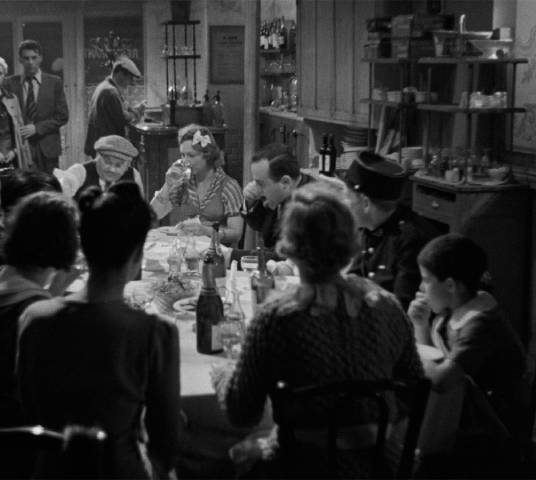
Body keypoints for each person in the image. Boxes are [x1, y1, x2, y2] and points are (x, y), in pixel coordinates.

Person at [212, 182, 424, 478]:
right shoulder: (387, 306)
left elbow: (242, 412)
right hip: (380, 464)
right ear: (352, 241)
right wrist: (363, 422)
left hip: (300, 464)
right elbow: (412, 387)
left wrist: (225, 373)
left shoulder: (277, 316)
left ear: (289, 246)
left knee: (217, 457)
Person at [18, 182, 180, 479]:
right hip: (119, 469)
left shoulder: (34, 317)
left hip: (51, 469)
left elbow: (30, 406)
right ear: (137, 258)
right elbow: (166, 439)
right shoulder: (154, 333)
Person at [0, 191, 79, 478]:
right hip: (17, 435)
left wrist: (53, 291)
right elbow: (50, 390)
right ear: (63, 243)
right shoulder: (31, 307)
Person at [409, 233, 526, 471]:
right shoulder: (452, 310)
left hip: (489, 433)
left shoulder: (480, 324)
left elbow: (441, 380)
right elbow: (437, 360)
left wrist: (406, 361)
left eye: (426, 280)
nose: (421, 288)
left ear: (451, 285)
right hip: (460, 415)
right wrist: (420, 326)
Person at [345, 151, 439, 310]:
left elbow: (402, 307)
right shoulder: (367, 228)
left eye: (348, 197)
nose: (345, 203)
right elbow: (353, 279)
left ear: (366, 203)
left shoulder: (411, 239)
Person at [150, 124, 244, 246]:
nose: (185, 161)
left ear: (208, 155)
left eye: (191, 155)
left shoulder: (228, 187)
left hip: (216, 254)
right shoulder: (183, 181)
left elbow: (236, 234)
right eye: (182, 155)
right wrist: (167, 186)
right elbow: (152, 216)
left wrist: (207, 231)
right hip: (185, 248)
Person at [4, 39, 69, 174]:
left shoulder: (54, 82)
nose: (30, 62)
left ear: (41, 58)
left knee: (47, 188)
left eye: (34, 57)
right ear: (20, 60)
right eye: (26, 58)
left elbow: (62, 116)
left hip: (47, 147)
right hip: (20, 147)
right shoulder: (10, 83)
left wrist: (37, 128)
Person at [243, 143, 319, 249]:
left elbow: (285, 259)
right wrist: (249, 202)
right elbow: (261, 227)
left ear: (285, 182)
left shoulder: (310, 209)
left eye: (260, 183)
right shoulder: (282, 191)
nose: (255, 189)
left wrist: (231, 254)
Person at [84, 55, 145, 156]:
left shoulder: (105, 86)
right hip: (106, 146)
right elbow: (122, 119)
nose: (130, 83)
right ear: (120, 74)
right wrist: (137, 113)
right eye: (129, 78)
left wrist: (133, 109)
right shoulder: (110, 92)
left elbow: (121, 106)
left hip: (100, 143)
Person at [56, 134, 144, 199]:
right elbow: (65, 183)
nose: (112, 169)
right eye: (107, 162)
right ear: (97, 157)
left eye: (118, 165)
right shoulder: (81, 171)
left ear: (127, 166)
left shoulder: (134, 175)